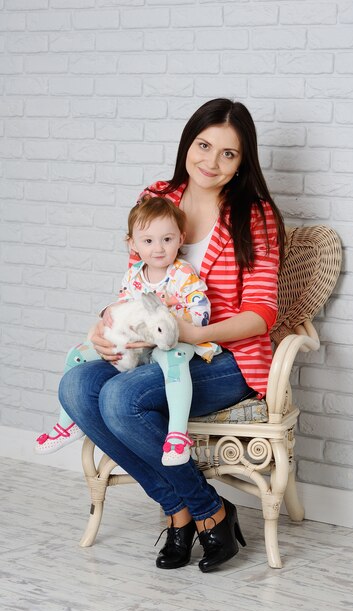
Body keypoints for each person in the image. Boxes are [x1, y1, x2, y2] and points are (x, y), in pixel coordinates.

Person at [59, 98, 285, 572]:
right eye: (204, 145)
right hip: (151, 350)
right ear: (188, 143)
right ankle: (185, 509)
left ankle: (204, 513)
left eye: (229, 153)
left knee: (121, 400)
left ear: (243, 161)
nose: (211, 161)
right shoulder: (159, 194)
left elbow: (262, 314)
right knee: (77, 387)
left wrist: (194, 330)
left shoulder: (255, 214)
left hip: (220, 357)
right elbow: (135, 280)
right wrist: (105, 322)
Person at [35, 195, 221, 466]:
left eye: (167, 239)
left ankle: (178, 434)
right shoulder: (134, 275)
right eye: (148, 241)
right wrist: (108, 311)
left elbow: (201, 311)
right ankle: (67, 423)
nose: (158, 248)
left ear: (181, 239)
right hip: (136, 348)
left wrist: (176, 318)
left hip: (170, 342)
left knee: (175, 358)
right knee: (77, 354)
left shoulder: (183, 274)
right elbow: (124, 305)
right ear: (132, 243)